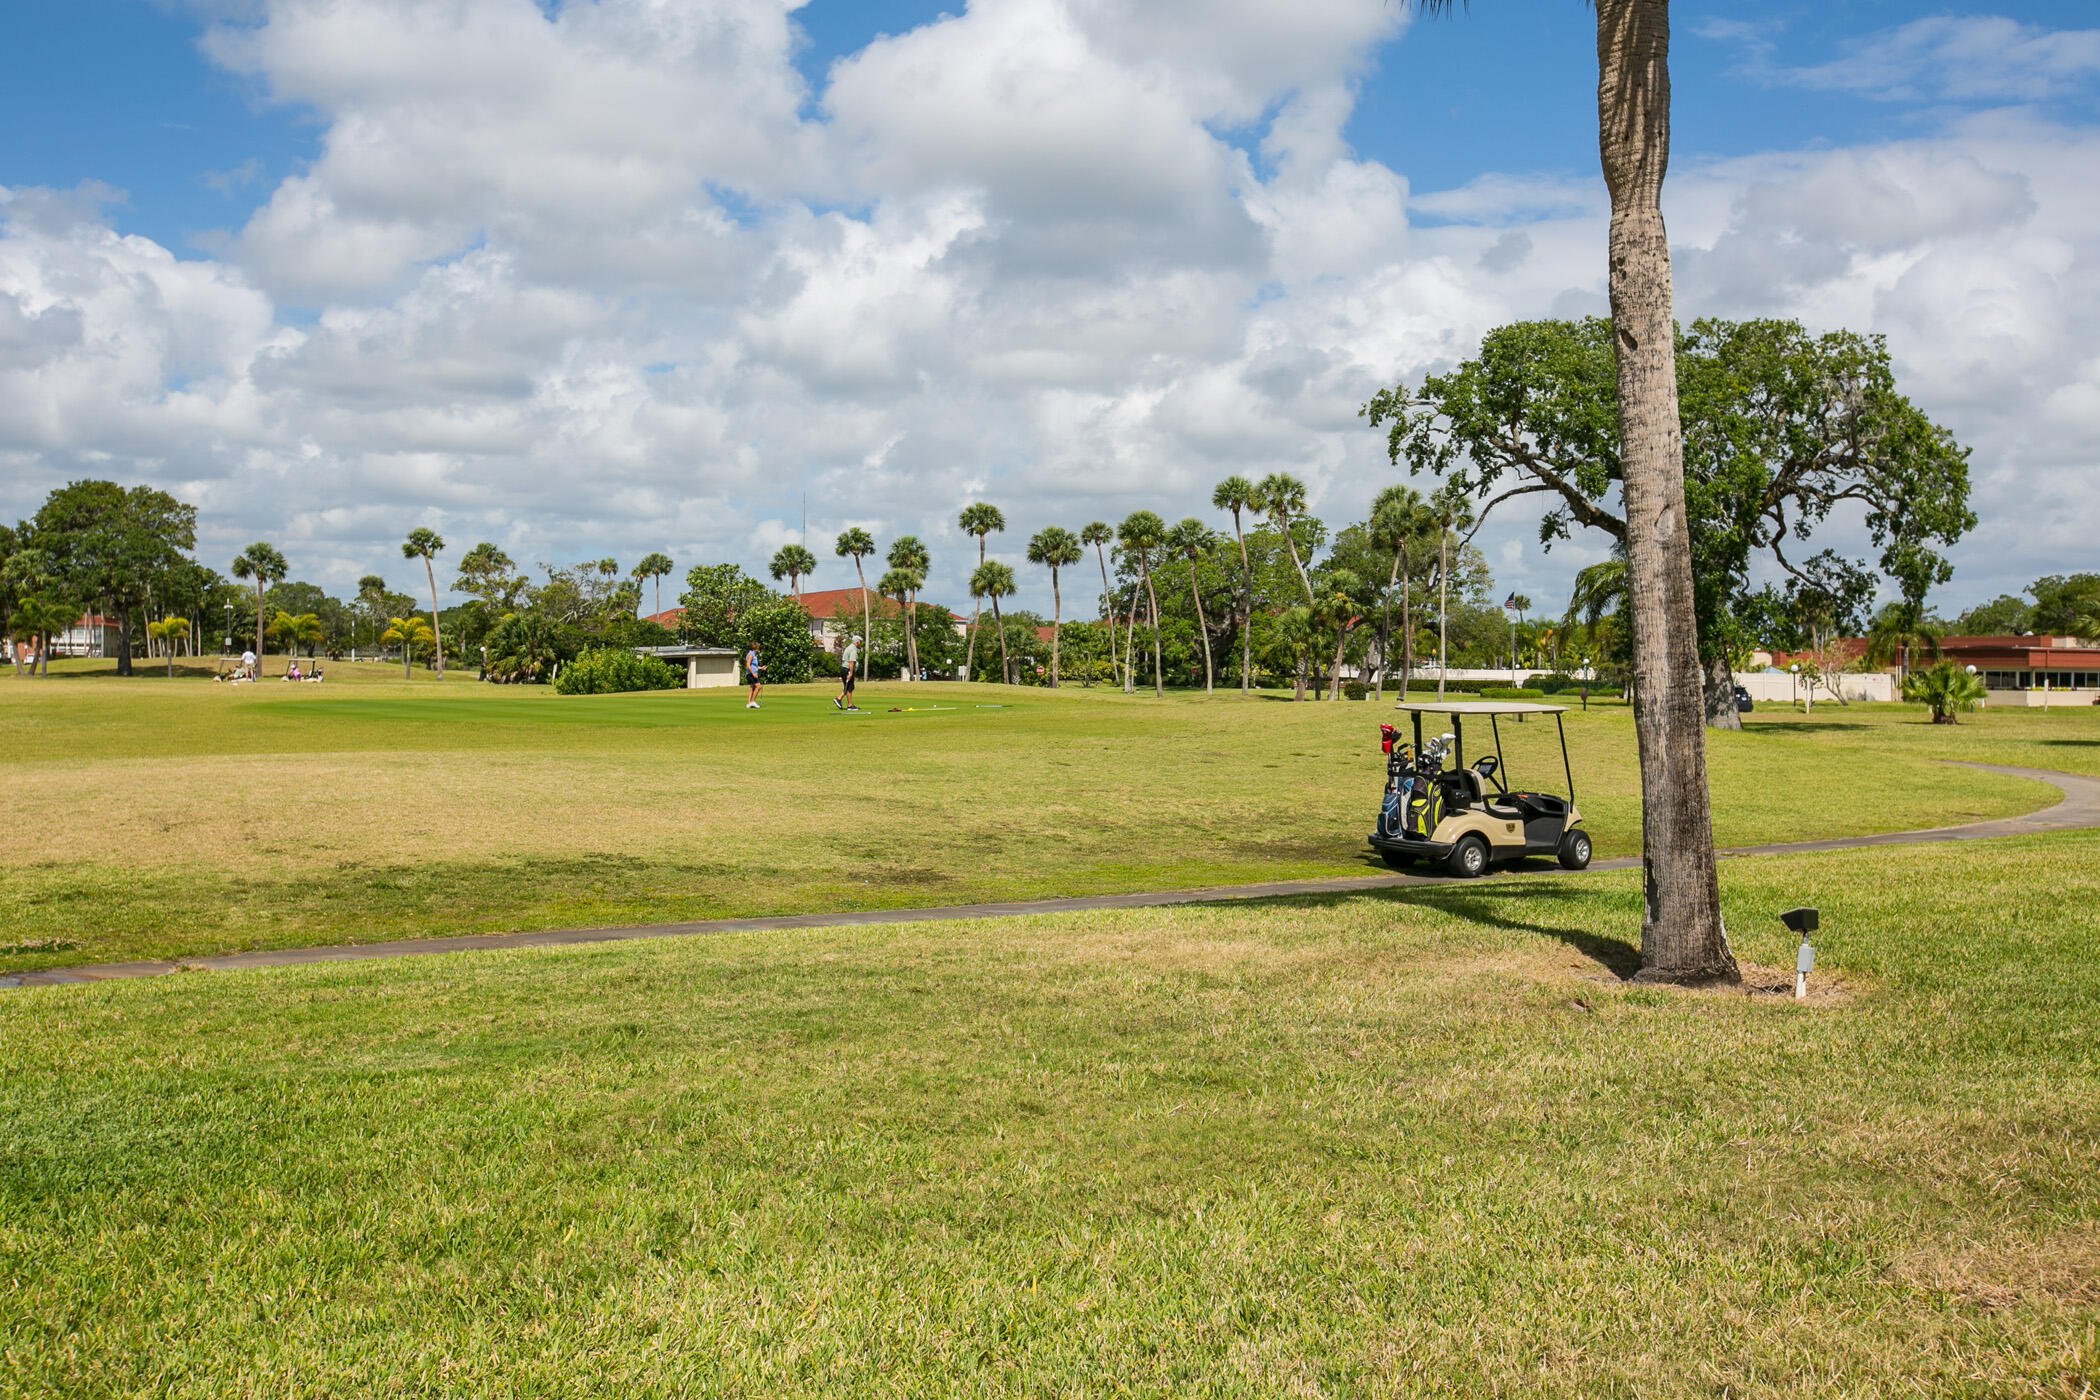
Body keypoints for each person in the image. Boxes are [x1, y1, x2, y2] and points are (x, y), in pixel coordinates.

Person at [833, 637, 860, 711]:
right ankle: (839, 699)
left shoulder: (849, 647)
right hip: (847, 670)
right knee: (848, 687)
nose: (860, 643)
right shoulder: (853, 649)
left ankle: (849, 704)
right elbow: (851, 662)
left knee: (849, 687)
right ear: (856, 642)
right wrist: (850, 673)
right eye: (859, 642)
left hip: (844, 669)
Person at [744, 644, 764, 709]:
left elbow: (754, 666)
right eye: (758, 649)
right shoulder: (751, 655)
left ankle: (748, 703)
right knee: (758, 686)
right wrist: (753, 673)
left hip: (752, 673)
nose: (758, 650)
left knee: (752, 688)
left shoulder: (753, 654)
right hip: (751, 674)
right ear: (754, 649)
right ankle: (753, 702)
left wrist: (761, 668)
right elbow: (748, 665)